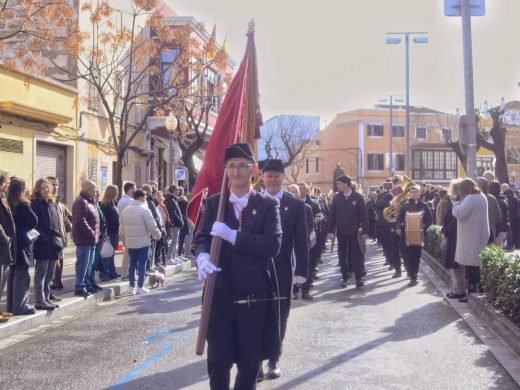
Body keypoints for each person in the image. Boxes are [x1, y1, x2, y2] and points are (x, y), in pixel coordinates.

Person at [194, 143, 282, 390]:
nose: (235, 172)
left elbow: (272, 245)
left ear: (253, 170)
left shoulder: (267, 205)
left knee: (249, 364)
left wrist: (233, 236)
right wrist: (201, 257)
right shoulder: (214, 204)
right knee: (218, 361)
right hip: (219, 296)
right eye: (230, 166)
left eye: (241, 166)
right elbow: (201, 237)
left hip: (252, 299)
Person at [260, 159, 309, 380]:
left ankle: (274, 359)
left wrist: (301, 271)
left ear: (283, 178)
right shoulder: (252, 201)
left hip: (282, 270)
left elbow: (301, 242)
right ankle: (255, 361)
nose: (272, 180)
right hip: (256, 269)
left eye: (276, 176)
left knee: (280, 314)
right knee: (256, 315)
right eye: (268, 176)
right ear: (262, 177)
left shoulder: (295, 206)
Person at [452, 178, 489, 302]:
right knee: (477, 265)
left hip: (470, 237)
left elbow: (460, 214)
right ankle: (474, 293)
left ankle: (471, 295)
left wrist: (456, 204)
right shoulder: (481, 196)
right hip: (479, 234)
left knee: (471, 267)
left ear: (463, 189)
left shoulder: (470, 198)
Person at [327, 175, 368, 288]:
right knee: (342, 255)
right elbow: (332, 216)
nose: (337, 185)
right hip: (341, 231)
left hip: (355, 231)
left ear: (346, 184)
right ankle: (345, 277)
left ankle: (359, 278)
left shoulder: (358, 197)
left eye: (339, 183)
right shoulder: (336, 198)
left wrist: (365, 231)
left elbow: (364, 215)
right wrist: (330, 231)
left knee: (356, 255)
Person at [31, 178, 64, 310]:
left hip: (54, 244)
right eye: (43, 187)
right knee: (41, 273)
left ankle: (46, 298)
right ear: (38, 189)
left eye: (48, 187)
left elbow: (56, 223)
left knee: (50, 273)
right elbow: (34, 225)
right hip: (42, 244)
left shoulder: (52, 203)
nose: (47, 189)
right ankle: (39, 300)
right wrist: (43, 237)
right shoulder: (35, 204)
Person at [120, 189, 161, 294]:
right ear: (142, 197)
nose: (146, 199)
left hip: (130, 242)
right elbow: (152, 226)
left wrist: (123, 239)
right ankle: (140, 286)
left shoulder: (125, 210)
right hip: (143, 241)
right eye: (145, 197)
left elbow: (121, 227)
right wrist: (158, 234)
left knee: (132, 264)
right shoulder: (144, 210)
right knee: (142, 264)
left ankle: (131, 286)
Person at [7, 178, 37, 315]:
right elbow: (34, 220)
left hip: (12, 243)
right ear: (22, 188)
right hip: (23, 243)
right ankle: (21, 306)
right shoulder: (23, 203)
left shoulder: (8, 202)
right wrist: (25, 230)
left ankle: (12, 306)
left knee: (13, 275)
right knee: (22, 275)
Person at [395, 185, 433, 287]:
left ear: (419, 193)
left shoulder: (424, 205)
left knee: (416, 257)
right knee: (407, 256)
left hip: (418, 236)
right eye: (412, 192)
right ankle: (411, 273)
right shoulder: (405, 205)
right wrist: (398, 228)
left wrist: (423, 227)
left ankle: (413, 276)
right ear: (409, 194)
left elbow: (430, 219)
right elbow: (398, 219)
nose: (414, 194)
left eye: (416, 192)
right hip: (406, 235)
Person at [72, 180, 100, 297]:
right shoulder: (81, 202)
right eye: (94, 188)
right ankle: (80, 286)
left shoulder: (89, 201)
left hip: (91, 239)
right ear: (88, 188)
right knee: (83, 263)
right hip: (84, 239)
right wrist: (92, 233)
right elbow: (80, 221)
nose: (96, 190)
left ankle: (87, 284)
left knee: (89, 263)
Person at [48, 177, 71, 291]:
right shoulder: (46, 201)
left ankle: (57, 281)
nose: (56, 187)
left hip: (60, 236)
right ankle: (53, 282)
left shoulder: (60, 202)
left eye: (57, 184)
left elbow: (70, 216)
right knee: (51, 262)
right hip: (49, 237)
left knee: (59, 259)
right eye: (53, 184)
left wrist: (67, 220)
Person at [442, 179, 462, 299]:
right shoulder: (455, 201)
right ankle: (455, 290)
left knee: (457, 266)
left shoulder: (459, 202)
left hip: (455, 237)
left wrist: (445, 231)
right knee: (454, 266)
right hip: (453, 236)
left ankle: (459, 291)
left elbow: (453, 221)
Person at [0, 171, 15, 314]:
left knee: (3, 278)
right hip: (2, 243)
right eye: (7, 182)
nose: (9, 185)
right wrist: (5, 238)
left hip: (5, 245)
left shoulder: (3, 196)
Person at [99, 185, 121, 281]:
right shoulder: (105, 205)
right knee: (106, 253)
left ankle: (112, 272)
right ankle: (105, 273)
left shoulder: (113, 203)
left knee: (111, 253)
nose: (118, 194)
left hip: (114, 231)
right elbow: (104, 220)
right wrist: (105, 234)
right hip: (109, 233)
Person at [117, 181, 136, 279]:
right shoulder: (129, 201)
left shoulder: (123, 200)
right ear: (130, 189)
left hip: (125, 228)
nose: (136, 190)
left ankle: (126, 272)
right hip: (128, 229)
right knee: (129, 252)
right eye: (134, 188)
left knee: (128, 252)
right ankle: (125, 273)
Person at [477, 177, 502, 244]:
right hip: (491, 229)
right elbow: (499, 217)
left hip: (478, 231)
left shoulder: (475, 198)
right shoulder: (492, 198)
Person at [165, 184, 184, 264]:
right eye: (177, 190)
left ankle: (173, 257)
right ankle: (169, 258)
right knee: (173, 241)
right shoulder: (171, 200)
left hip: (176, 223)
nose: (178, 191)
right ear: (173, 191)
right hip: (174, 224)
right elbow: (173, 213)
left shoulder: (173, 199)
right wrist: (180, 221)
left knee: (174, 241)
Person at [488, 180, 509, 247]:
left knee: (495, 249)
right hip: (502, 229)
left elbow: (499, 218)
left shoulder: (498, 201)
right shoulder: (502, 199)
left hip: (499, 230)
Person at [154, 190, 169, 267]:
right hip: (160, 228)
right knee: (159, 246)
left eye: (161, 196)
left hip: (163, 227)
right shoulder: (157, 207)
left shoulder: (162, 206)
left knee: (163, 246)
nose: (161, 198)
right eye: (158, 197)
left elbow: (164, 217)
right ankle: (157, 261)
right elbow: (159, 219)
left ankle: (162, 262)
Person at [176, 188, 191, 258]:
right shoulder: (185, 203)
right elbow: (188, 212)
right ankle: (180, 253)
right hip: (184, 221)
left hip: (178, 221)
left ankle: (180, 253)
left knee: (180, 238)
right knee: (183, 238)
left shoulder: (176, 202)